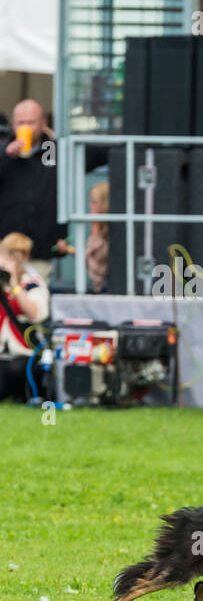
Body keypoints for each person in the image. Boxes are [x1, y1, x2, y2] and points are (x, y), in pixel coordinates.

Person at [0, 100, 68, 282]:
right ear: (13, 125)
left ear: (43, 123)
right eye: (21, 123)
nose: (26, 128)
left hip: (41, 253)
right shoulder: (3, 151)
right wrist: (6, 157)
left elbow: (88, 154)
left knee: (35, 302)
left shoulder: (52, 150)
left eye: (31, 122)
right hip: (5, 250)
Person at [0, 232, 50, 402]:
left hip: (25, 353)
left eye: (17, 256)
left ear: (26, 258)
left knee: (15, 369)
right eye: (8, 255)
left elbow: (36, 314)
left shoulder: (33, 283)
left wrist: (14, 286)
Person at [85, 181, 109, 294]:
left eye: (94, 202)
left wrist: (95, 231)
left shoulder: (108, 232)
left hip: (106, 288)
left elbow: (97, 269)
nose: (90, 207)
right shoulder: (97, 228)